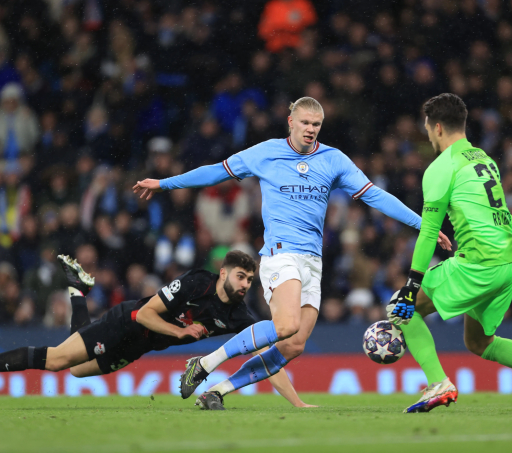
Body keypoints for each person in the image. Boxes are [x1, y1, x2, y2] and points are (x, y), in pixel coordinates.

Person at [133, 97, 451, 409]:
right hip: (280, 254)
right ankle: (205, 362)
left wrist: (422, 224)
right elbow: (217, 171)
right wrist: (165, 184)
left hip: (313, 260)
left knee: (293, 344)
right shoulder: (266, 153)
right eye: (305, 123)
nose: (310, 129)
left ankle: (218, 391)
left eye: (316, 124)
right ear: (291, 122)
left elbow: (375, 196)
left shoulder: (334, 160)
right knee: (285, 325)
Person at [386, 93, 512, 413]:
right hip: (507, 265)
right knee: (479, 343)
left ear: (437, 127)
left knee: (399, 308)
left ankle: (438, 383)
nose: (427, 135)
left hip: (479, 263)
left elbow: (428, 231)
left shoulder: (441, 167)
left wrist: (412, 285)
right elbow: (505, 215)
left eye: (427, 129)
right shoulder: (484, 159)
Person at [0, 251, 313, 408]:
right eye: (242, 276)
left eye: (251, 279)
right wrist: (181, 334)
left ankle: (78, 292)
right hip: (125, 323)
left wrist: (295, 402)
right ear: (225, 273)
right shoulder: (197, 282)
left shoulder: (238, 317)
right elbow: (146, 314)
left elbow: (264, 357)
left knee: (77, 367)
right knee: (55, 361)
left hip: (139, 348)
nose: (246, 284)